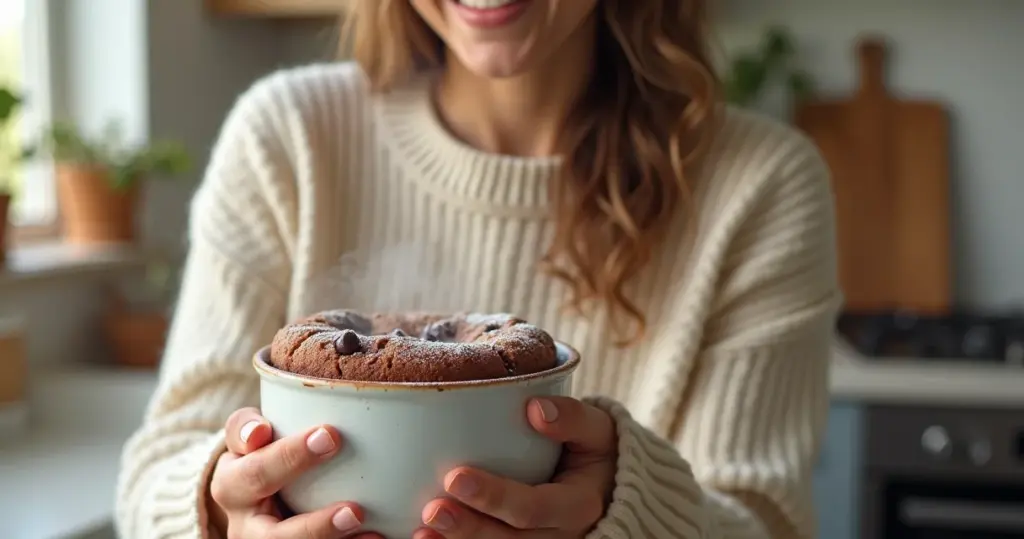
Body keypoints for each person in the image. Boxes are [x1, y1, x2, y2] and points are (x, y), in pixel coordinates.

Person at [115, 1, 841, 538]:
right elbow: (153, 478)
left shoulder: (758, 185)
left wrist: (626, 503)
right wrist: (218, 505)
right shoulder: (290, 140)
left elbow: (765, 521)